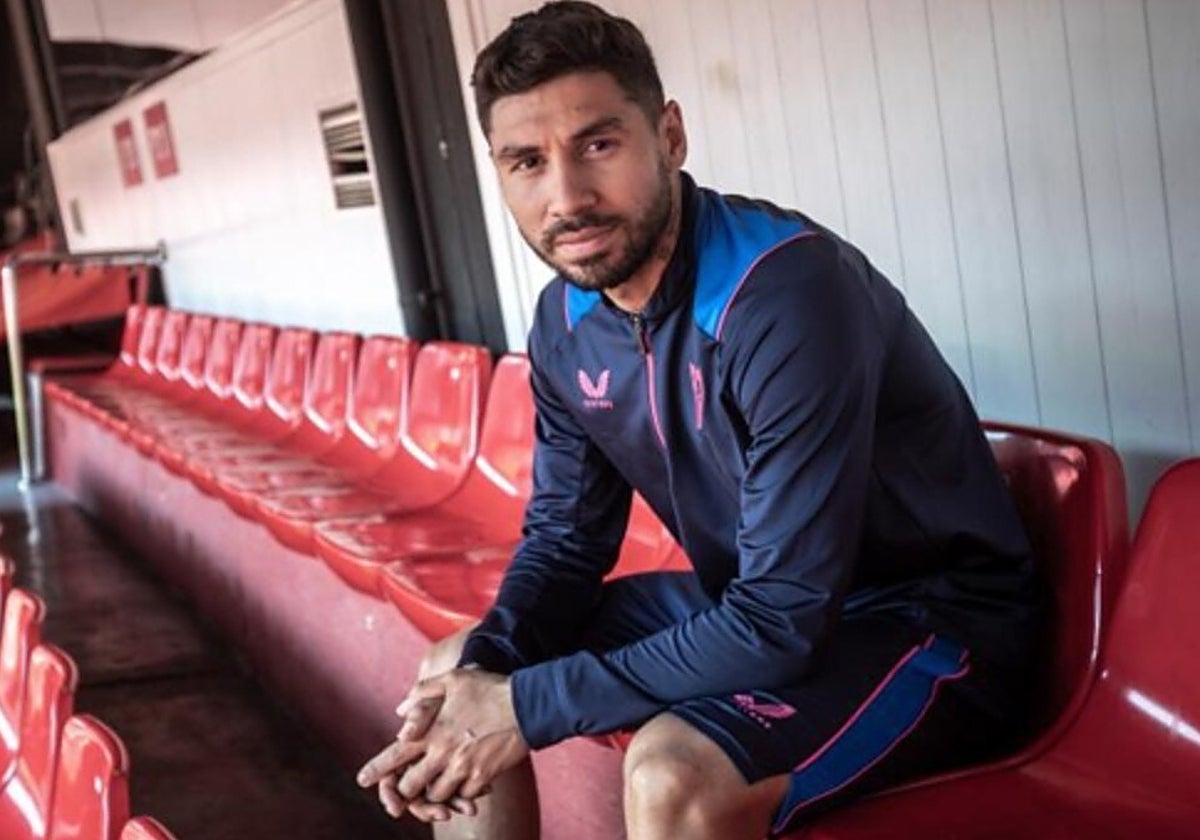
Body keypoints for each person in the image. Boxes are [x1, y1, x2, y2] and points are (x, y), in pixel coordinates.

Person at [357, 3, 1040, 838]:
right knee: (455, 673)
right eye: (527, 162)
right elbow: (569, 540)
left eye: (598, 145)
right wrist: (491, 675)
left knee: (673, 777)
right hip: (758, 611)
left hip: (928, 626)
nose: (566, 197)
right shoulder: (564, 320)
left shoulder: (785, 293)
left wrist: (527, 704)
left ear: (670, 136)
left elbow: (781, 618)